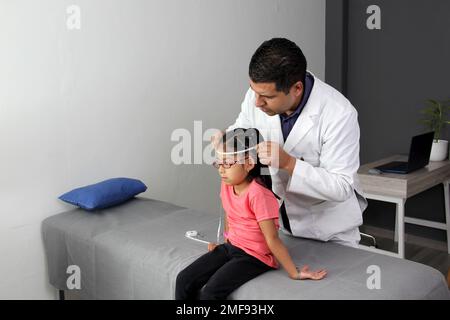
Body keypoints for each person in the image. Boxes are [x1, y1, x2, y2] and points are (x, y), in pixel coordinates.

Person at [212, 38, 367, 248]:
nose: (257, 102)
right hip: (279, 227)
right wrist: (227, 140)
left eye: (266, 97)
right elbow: (243, 127)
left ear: (296, 88)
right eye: (254, 92)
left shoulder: (339, 114)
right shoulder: (258, 93)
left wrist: (289, 164)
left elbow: (342, 187)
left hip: (329, 231)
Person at [176, 129, 327, 300]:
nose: (221, 170)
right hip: (232, 247)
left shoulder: (259, 195)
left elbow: (272, 238)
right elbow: (230, 214)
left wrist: (294, 272)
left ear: (248, 164)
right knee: (183, 280)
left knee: (210, 293)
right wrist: (225, 241)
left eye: (227, 164)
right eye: (219, 163)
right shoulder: (227, 184)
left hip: (254, 256)